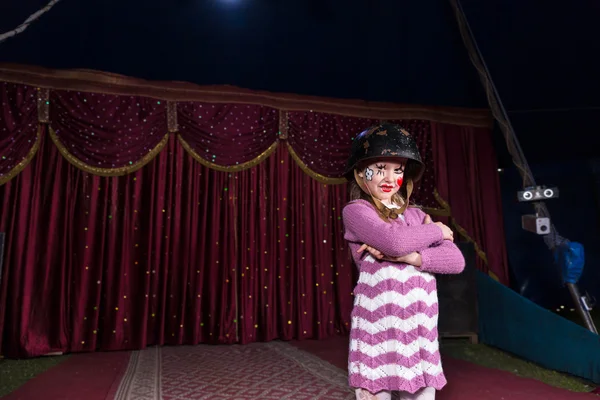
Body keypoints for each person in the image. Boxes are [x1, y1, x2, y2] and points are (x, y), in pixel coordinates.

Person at [342, 124, 466, 400]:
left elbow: (456, 261)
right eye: (381, 168)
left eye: (397, 170)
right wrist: (437, 232)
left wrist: (413, 256)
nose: (389, 177)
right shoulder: (357, 212)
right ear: (361, 173)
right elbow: (393, 242)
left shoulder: (415, 215)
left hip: (417, 333)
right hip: (377, 333)